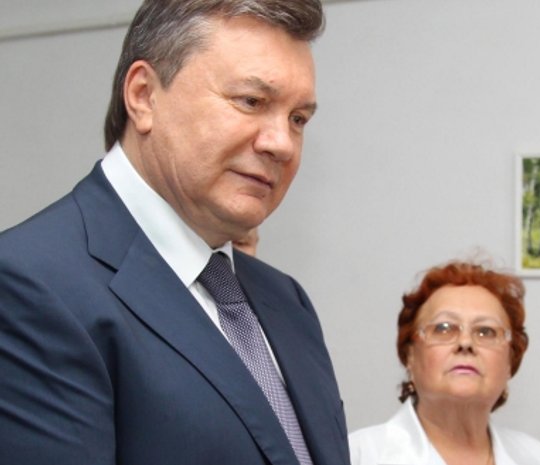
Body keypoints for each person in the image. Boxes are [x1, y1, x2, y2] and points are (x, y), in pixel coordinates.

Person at [0, 1, 350, 464]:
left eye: (298, 119)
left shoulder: (287, 302)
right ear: (144, 95)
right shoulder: (28, 286)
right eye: (251, 101)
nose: (281, 143)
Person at [349, 260, 540, 465]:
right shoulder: (357, 455)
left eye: (486, 331)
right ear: (409, 355)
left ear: (510, 361)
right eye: (444, 328)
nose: (465, 342)